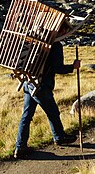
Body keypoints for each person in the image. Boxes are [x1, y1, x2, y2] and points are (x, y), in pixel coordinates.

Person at [14, 23, 81, 159]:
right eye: (65, 31)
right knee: (53, 112)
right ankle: (59, 137)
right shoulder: (55, 46)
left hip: (29, 81)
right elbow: (57, 68)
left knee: (26, 116)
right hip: (41, 86)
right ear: (61, 31)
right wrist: (73, 66)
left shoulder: (35, 40)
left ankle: (20, 147)